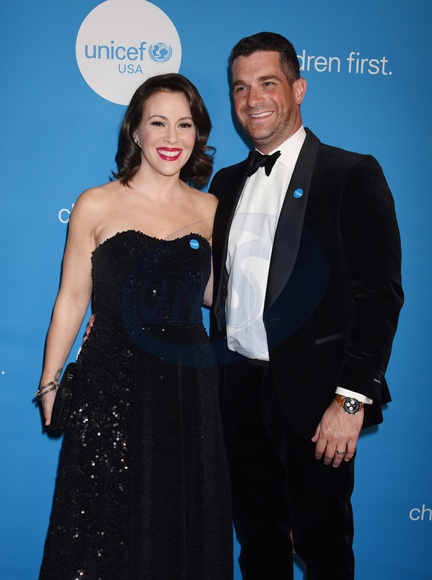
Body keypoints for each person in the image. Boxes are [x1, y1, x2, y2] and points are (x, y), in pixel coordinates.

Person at [209, 32, 404, 580]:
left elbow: (379, 293)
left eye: (267, 83)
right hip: (237, 391)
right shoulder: (224, 183)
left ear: (298, 88)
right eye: (241, 88)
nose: (253, 99)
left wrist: (351, 401)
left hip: (318, 398)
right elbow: (216, 285)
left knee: (324, 549)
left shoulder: (350, 173)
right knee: (258, 546)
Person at [37, 73, 233, 579]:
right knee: (101, 522)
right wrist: (50, 383)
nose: (172, 137)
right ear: (136, 132)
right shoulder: (96, 203)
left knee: (177, 521)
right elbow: (71, 299)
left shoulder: (211, 209)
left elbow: (216, 296)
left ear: (198, 134)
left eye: (184, 124)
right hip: (110, 380)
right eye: (158, 123)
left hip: (187, 385)